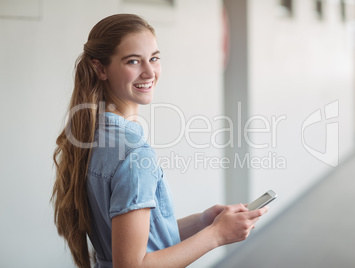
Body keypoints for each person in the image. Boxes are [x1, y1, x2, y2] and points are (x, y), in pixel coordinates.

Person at [52, 13, 268, 268]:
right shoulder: (134, 153)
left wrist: (204, 222)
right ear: (100, 68)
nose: (149, 72)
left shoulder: (92, 133)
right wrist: (217, 235)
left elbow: (139, 239)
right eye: (133, 61)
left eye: (154, 58)